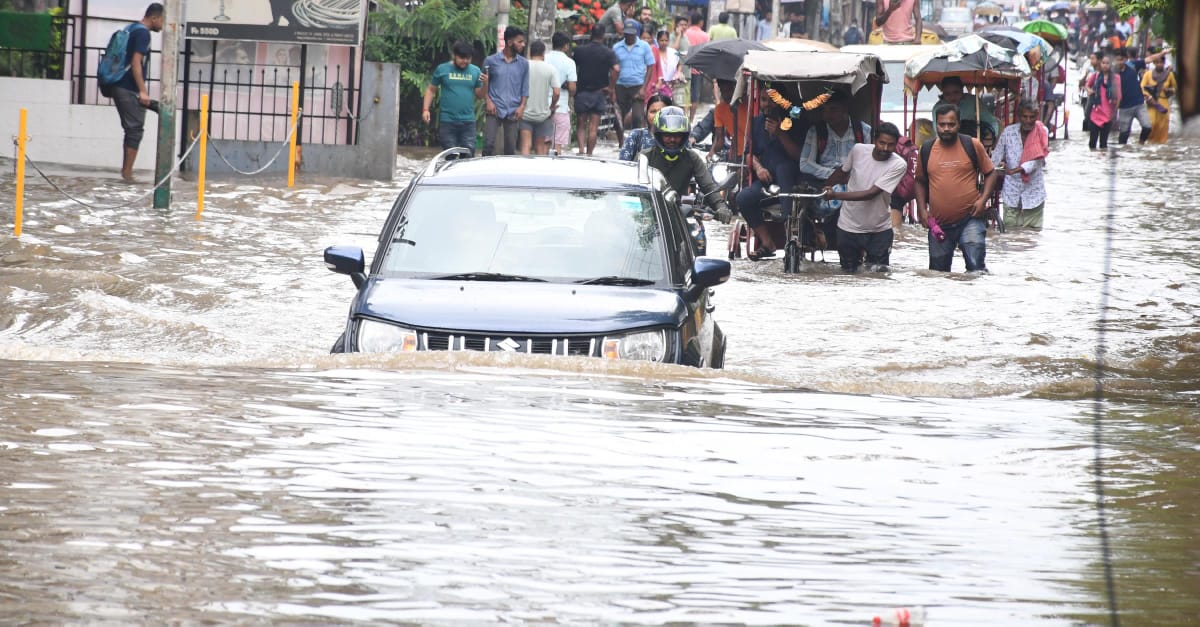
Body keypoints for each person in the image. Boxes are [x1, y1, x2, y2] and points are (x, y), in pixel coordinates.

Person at [914, 103, 998, 273]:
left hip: (970, 219)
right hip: (939, 224)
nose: (946, 129)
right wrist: (922, 209)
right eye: (942, 124)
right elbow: (919, 181)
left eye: (951, 125)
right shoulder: (927, 149)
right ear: (936, 125)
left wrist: (983, 200)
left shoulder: (972, 145)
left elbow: (991, 173)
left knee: (976, 271)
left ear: (958, 124)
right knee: (938, 274)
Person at [822, 122, 908, 272]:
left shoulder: (898, 164)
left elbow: (871, 193)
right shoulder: (858, 150)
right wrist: (825, 187)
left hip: (879, 229)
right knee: (848, 273)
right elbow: (842, 172)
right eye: (882, 143)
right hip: (848, 227)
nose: (885, 149)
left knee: (878, 276)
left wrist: (835, 195)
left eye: (890, 145)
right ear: (874, 140)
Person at [732, 95, 806, 258]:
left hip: (792, 180)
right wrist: (758, 168)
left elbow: (800, 157)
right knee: (743, 198)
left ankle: (791, 235)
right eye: (764, 100)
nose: (767, 105)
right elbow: (749, 154)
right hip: (768, 181)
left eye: (771, 100)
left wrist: (780, 133)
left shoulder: (795, 120)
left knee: (783, 168)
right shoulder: (757, 123)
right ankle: (767, 242)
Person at [639, 106, 732, 221]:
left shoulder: (692, 158)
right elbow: (632, 190)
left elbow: (708, 186)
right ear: (659, 135)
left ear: (684, 136)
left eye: (677, 135)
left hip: (680, 216)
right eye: (667, 135)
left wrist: (721, 207)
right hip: (649, 216)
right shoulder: (644, 158)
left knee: (698, 237)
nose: (672, 140)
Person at [111, 3, 164, 182]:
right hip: (127, 86)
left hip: (120, 84)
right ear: (154, 18)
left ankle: (126, 172)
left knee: (133, 128)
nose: (164, 26)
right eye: (163, 20)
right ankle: (127, 175)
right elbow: (136, 63)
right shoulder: (143, 32)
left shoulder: (132, 27)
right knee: (134, 130)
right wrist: (143, 91)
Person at [990, 100, 1048, 230]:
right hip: (1012, 189)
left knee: (1033, 233)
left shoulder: (1042, 131)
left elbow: (1037, 159)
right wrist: (993, 168)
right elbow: (996, 156)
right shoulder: (1008, 132)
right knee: (1009, 231)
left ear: (1036, 116)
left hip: (1034, 190)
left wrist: (1014, 170)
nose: (1028, 120)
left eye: (1031, 117)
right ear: (1019, 116)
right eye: (1024, 116)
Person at [423, 41, 487, 156]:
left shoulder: (475, 71)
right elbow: (431, 90)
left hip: (468, 122)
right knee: (450, 156)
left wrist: (487, 84)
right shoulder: (442, 69)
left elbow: (480, 95)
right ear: (454, 55)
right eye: (462, 58)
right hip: (448, 121)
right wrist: (425, 109)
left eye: (468, 58)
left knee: (468, 155)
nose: (465, 61)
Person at [797, 90, 871, 185]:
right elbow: (805, 164)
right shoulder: (816, 131)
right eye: (824, 110)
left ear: (845, 108)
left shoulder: (863, 130)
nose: (827, 115)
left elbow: (868, 163)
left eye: (833, 109)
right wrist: (834, 174)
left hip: (855, 182)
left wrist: (849, 176)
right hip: (825, 182)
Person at [572, 24, 619, 155]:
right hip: (599, 93)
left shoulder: (580, 51)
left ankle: (581, 150)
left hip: (582, 92)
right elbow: (616, 69)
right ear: (603, 36)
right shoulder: (608, 52)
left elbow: (573, 67)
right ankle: (589, 153)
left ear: (591, 34)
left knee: (581, 124)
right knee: (593, 127)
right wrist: (611, 87)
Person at [483, 26, 529, 156]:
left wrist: (522, 106)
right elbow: (484, 85)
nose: (523, 45)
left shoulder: (524, 64)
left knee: (510, 148)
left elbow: (525, 88)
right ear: (509, 43)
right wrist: (488, 101)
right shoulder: (490, 61)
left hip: (514, 110)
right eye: (519, 42)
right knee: (488, 144)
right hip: (494, 108)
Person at [612, 18, 655, 142]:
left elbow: (650, 65)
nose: (629, 36)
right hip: (620, 86)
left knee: (637, 116)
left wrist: (644, 87)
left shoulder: (644, 46)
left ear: (636, 33)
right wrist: (613, 89)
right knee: (619, 117)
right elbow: (613, 68)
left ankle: (636, 142)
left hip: (637, 85)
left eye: (632, 33)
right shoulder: (617, 47)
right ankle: (621, 144)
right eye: (627, 33)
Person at [521, 40, 560, 155]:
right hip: (543, 114)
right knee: (540, 147)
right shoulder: (550, 69)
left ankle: (523, 172)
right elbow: (557, 92)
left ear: (530, 52)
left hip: (525, 113)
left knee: (525, 145)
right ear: (543, 54)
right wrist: (552, 106)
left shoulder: (524, 66)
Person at [545, 32, 578, 155]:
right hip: (561, 107)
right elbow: (572, 88)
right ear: (565, 46)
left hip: (542, 107)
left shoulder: (544, 58)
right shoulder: (569, 62)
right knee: (557, 144)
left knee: (543, 143)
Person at [937, 76, 998, 140]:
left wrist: (991, 138)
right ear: (943, 93)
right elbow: (938, 133)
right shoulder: (938, 108)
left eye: (956, 92)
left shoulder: (973, 101)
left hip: (972, 141)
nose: (952, 97)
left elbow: (991, 121)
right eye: (947, 94)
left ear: (962, 90)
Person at [1113, 47, 1151, 144]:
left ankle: (1141, 144)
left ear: (1125, 59)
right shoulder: (1112, 73)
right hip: (1124, 107)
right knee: (1124, 134)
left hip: (1139, 104)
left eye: (1121, 60)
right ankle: (1122, 152)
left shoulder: (1132, 66)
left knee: (1147, 127)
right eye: (1117, 60)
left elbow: (1149, 59)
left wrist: (1163, 53)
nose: (1119, 62)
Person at [619, 93, 672, 160]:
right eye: (653, 111)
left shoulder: (678, 136)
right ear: (646, 114)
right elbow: (624, 164)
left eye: (662, 112)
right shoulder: (636, 135)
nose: (657, 115)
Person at [1086, 53, 1120, 150]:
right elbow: (1087, 85)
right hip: (1095, 113)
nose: (1105, 65)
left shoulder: (1116, 78)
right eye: (1103, 63)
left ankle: (1102, 163)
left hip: (1108, 114)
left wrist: (1114, 113)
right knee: (1092, 142)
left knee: (1103, 144)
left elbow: (1118, 97)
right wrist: (1090, 91)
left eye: (1107, 63)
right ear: (1100, 64)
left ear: (1111, 65)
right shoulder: (1096, 76)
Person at [1140, 55, 1176, 144]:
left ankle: (1161, 144)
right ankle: (1149, 142)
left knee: (1163, 125)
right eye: (1157, 62)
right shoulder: (1148, 74)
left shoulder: (1169, 75)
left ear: (1164, 63)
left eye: (1161, 63)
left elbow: (1175, 88)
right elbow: (1142, 87)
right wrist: (1148, 96)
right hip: (1152, 102)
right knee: (1151, 123)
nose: (1159, 64)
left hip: (1163, 102)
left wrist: (1170, 90)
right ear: (1154, 63)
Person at [684, 12, 709, 117]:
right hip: (698, 69)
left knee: (685, 94)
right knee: (695, 96)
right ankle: (691, 120)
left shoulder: (685, 33)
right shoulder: (705, 36)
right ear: (700, 22)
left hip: (685, 68)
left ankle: (684, 118)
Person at [645, 30, 680, 106]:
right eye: (662, 40)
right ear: (657, 40)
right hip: (657, 84)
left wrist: (678, 73)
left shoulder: (673, 52)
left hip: (670, 84)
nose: (664, 42)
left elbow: (680, 64)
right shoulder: (653, 52)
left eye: (666, 40)